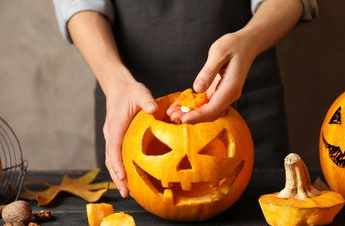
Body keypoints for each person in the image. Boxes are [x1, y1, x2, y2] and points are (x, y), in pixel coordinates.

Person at [52, 0, 318, 198]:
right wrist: (114, 80)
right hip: (126, 98)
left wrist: (248, 41)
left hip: (243, 94)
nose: (185, 168)